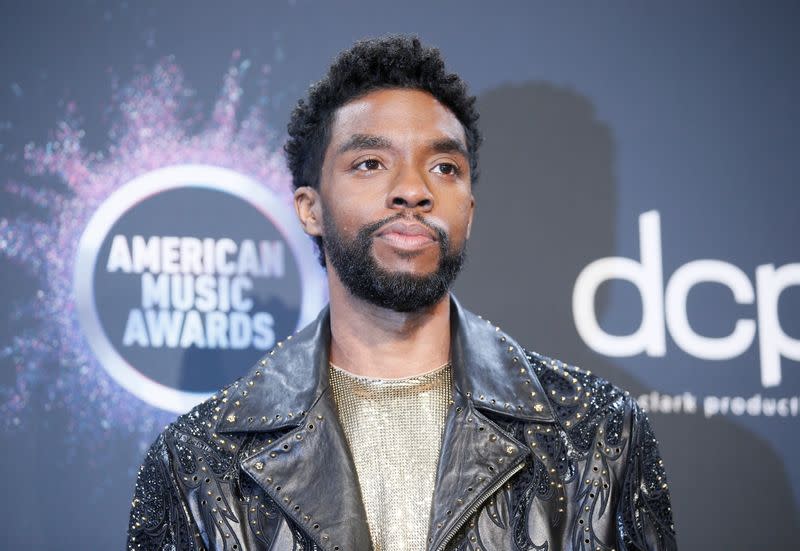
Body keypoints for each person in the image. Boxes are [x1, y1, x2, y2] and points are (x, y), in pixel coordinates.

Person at [127, 35, 677, 551]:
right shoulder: (198, 461)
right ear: (309, 208)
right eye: (369, 164)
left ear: (469, 209)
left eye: (444, 167)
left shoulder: (596, 431)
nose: (413, 190)